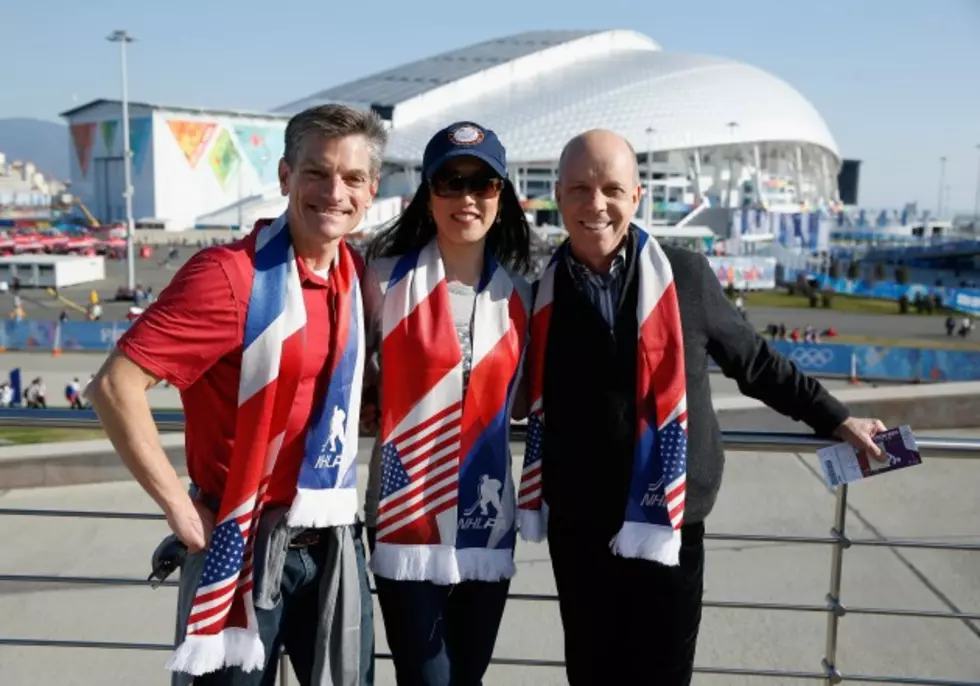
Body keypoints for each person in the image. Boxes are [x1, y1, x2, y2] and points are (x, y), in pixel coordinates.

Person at [515, 129, 888, 686]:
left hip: (671, 522)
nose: (596, 205)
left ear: (637, 196)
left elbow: (757, 363)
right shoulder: (536, 293)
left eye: (612, 189)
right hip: (580, 527)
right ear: (559, 199)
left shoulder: (685, 277)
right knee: (591, 676)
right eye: (579, 189)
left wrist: (835, 417)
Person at [87, 104, 386, 686]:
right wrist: (180, 508)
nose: (334, 192)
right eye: (316, 173)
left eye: (352, 178)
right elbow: (114, 385)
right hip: (239, 541)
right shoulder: (227, 277)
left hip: (332, 539)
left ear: (371, 191)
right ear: (284, 177)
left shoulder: (354, 276)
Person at [360, 121, 532, 685]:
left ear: (501, 196)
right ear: (427, 195)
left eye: (482, 183)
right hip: (405, 519)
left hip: (487, 523)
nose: (466, 197)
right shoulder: (379, 283)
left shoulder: (524, 295)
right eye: (450, 182)